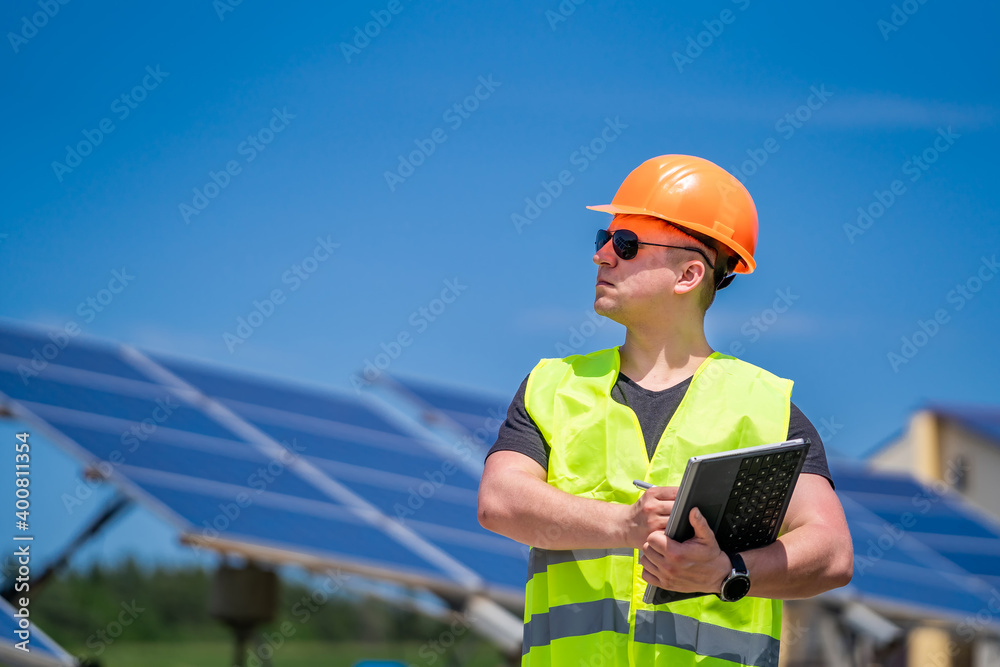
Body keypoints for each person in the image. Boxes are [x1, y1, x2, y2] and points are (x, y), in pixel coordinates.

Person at [478, 155, 853, 667]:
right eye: (603, 240)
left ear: (689, 273)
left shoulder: (766, 405)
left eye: (626, 244)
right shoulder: (552, 386)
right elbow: (499, 500)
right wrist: (621, 525)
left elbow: (831, 552)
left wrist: (726, 572)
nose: (602, 257)